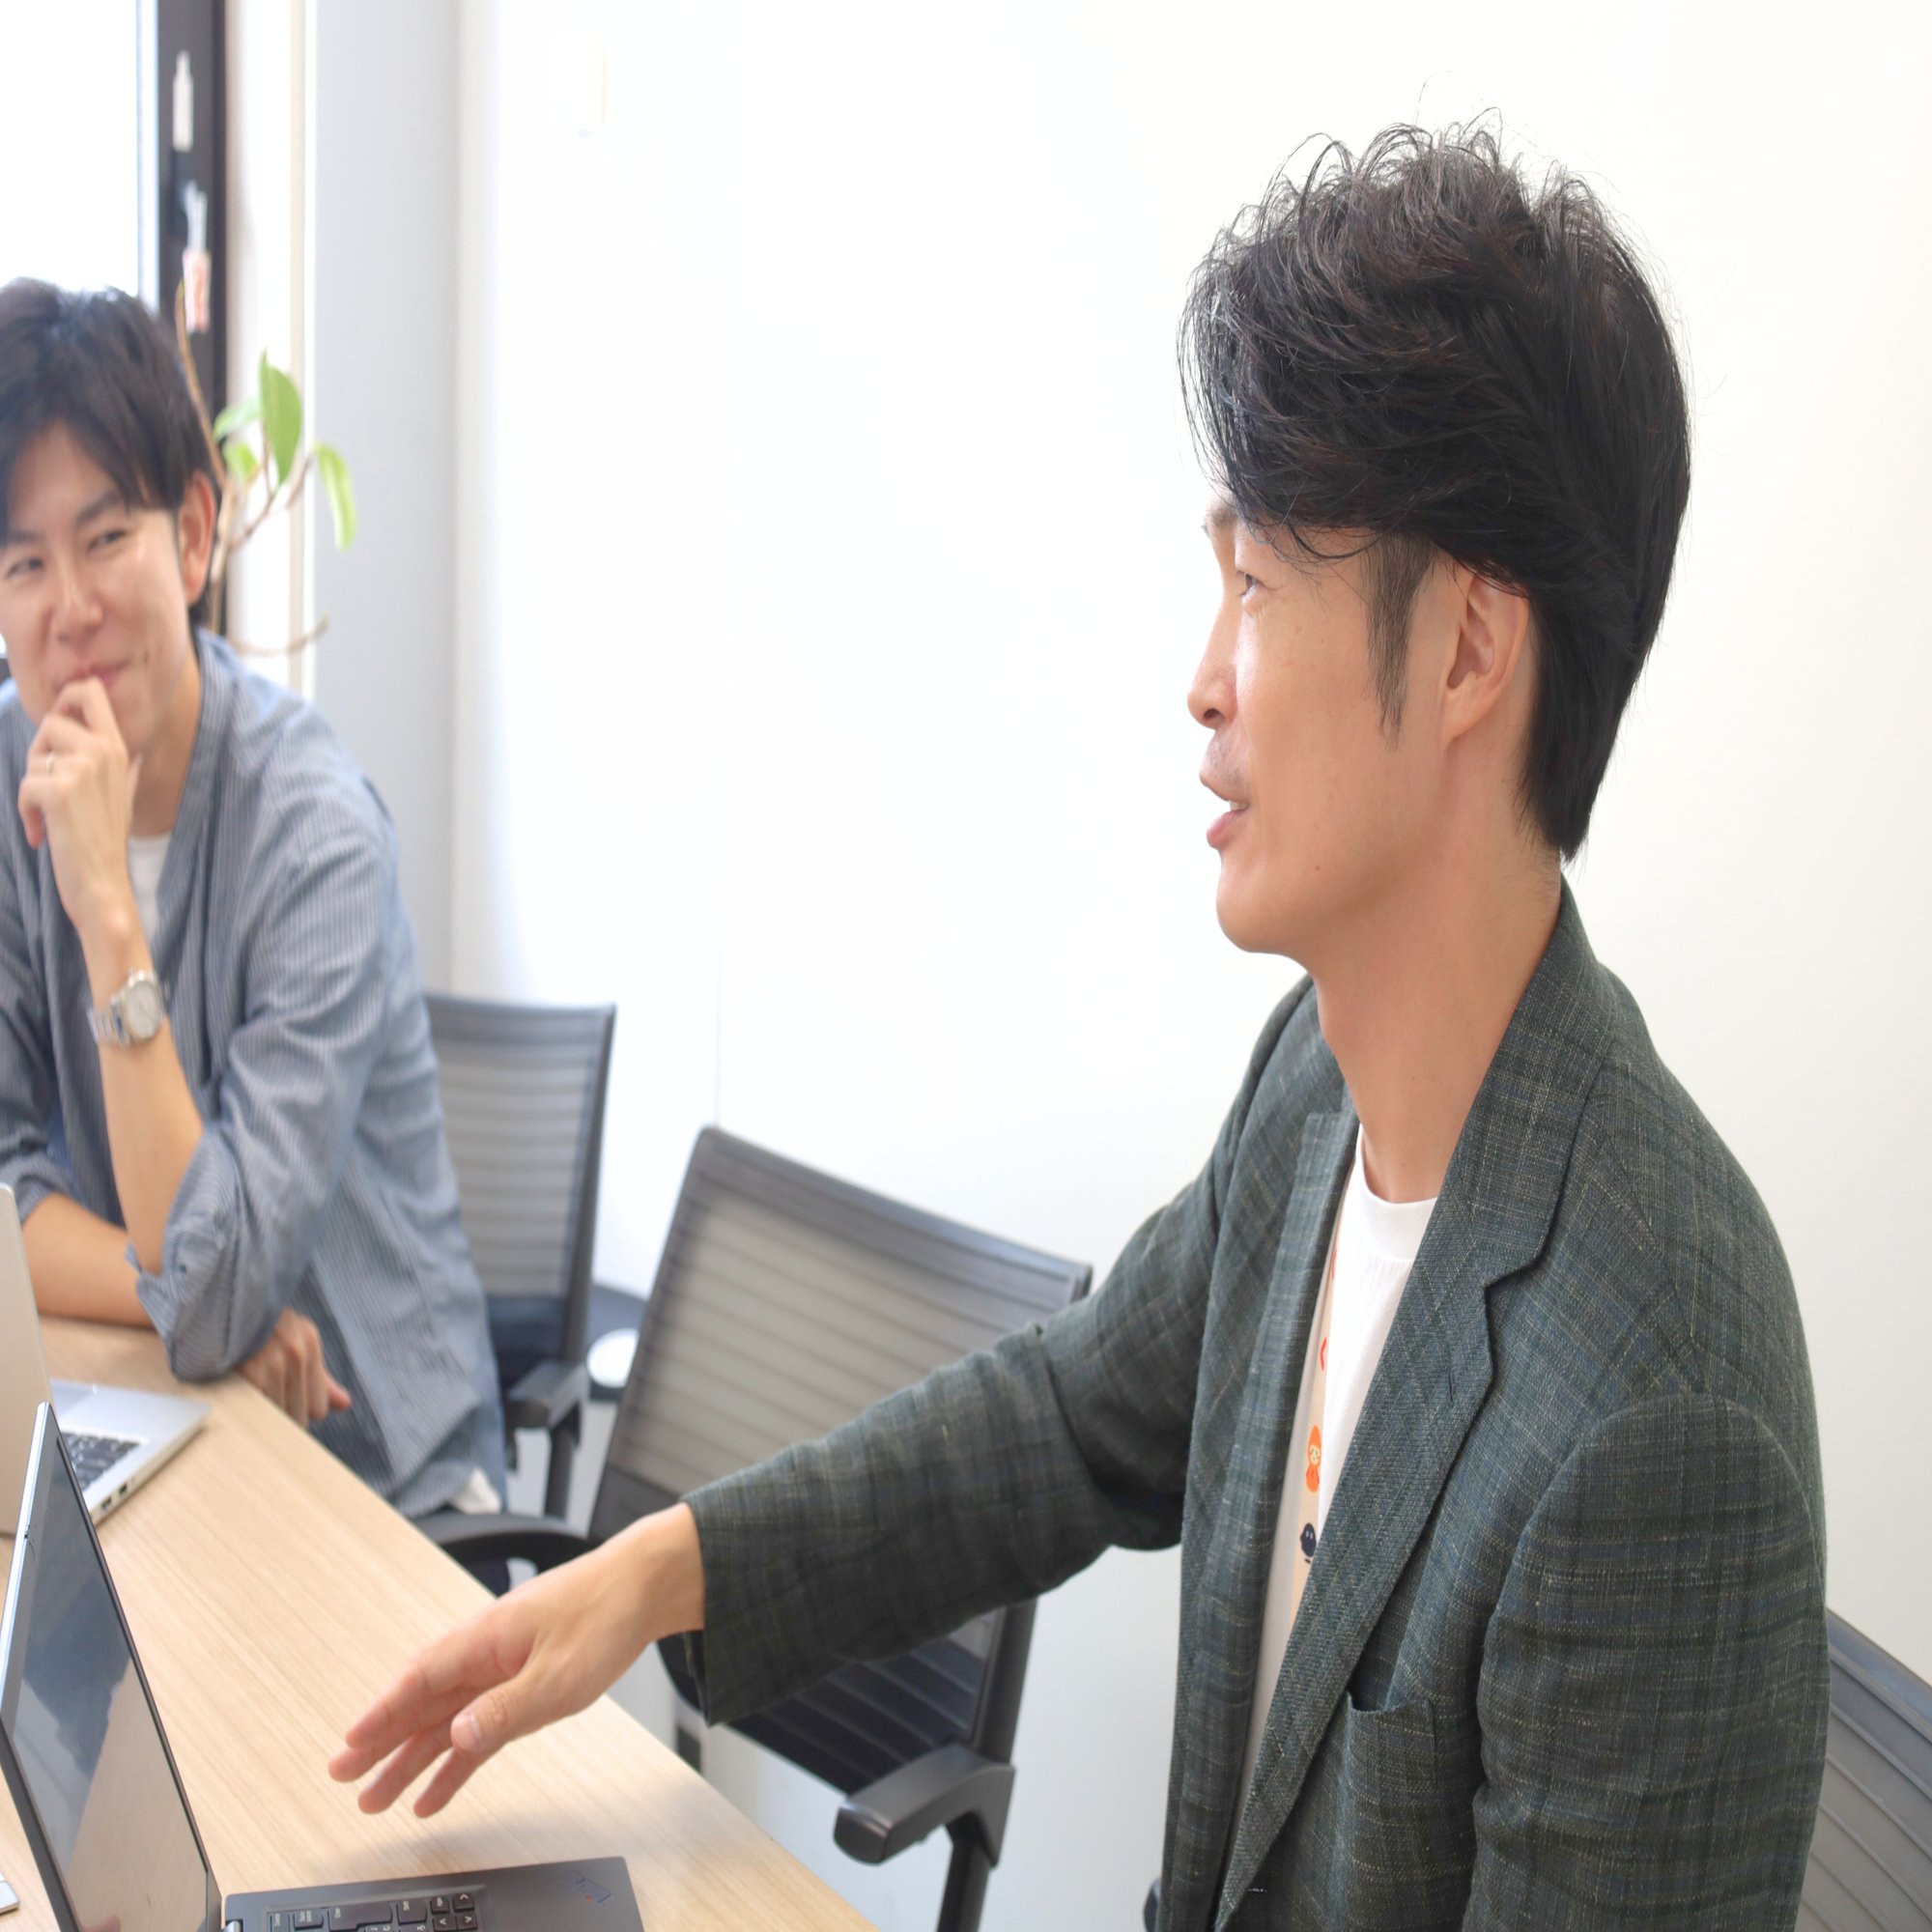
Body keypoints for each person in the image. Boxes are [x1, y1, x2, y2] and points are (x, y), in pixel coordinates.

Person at [333, 126, 1830, 1925]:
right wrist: (648, 1575)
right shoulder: (1318, 1089)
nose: (1201, 680)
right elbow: (1064, 1419)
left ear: (1466, 653)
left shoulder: (1660, 1407)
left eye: (1259, 587)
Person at [0, 281, 504, 1520]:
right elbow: (31, 1205)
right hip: (175, 1424)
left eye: (104, 539)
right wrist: (168, 1287)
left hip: (384, 1486)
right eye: (23, 563)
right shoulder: (11, 776)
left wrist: (107, 905)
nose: (70, 609)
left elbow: (212, 1291)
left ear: (192, 534)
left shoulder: (316, 832)